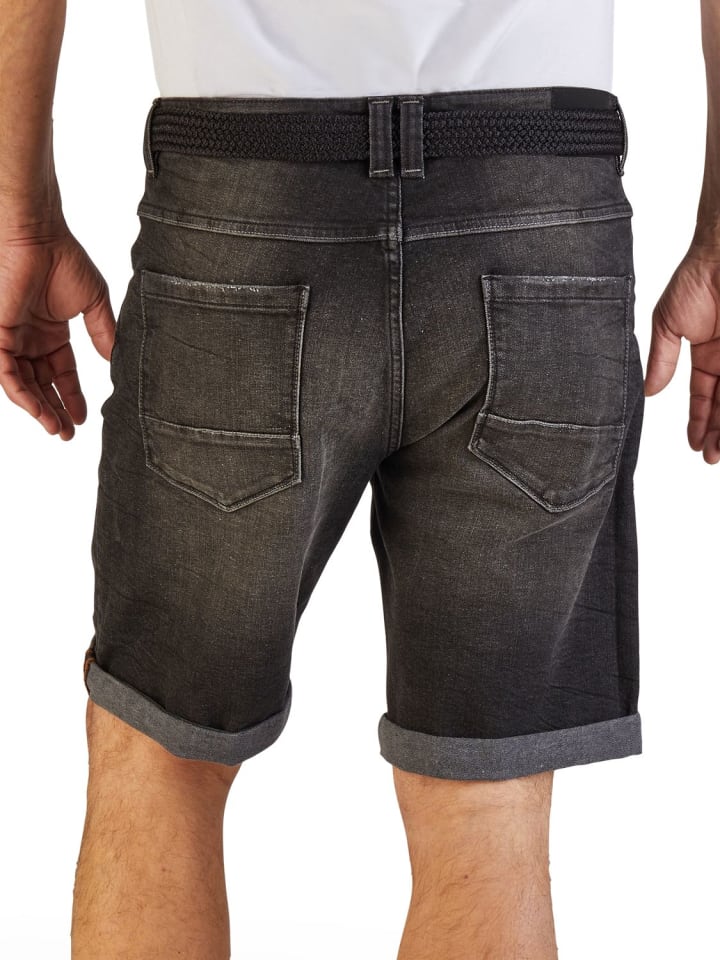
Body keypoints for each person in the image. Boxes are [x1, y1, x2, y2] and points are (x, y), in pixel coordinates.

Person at [1, 2, 719, 958]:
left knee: (161, 758)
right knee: (488, 806)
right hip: (538, 206)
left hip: (245, 203)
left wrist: (18, 213)